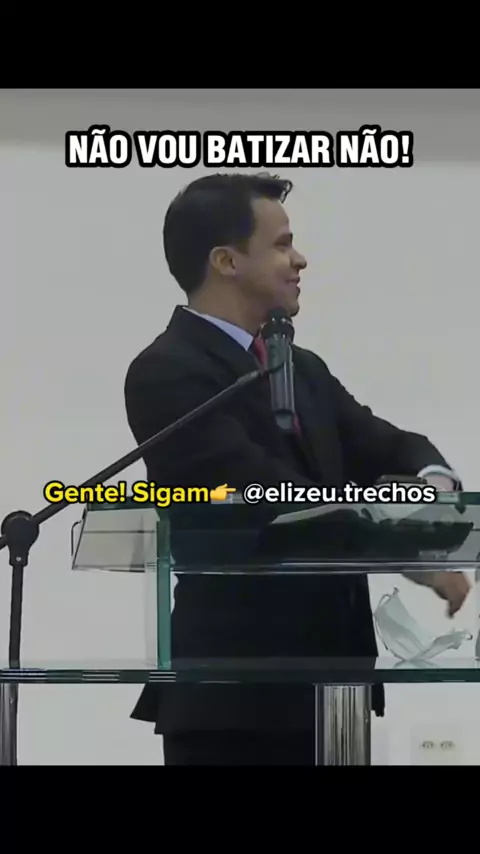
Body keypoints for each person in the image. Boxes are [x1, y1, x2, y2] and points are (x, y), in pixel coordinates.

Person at [124, 172, 470, 765]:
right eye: (282, 244)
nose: (300, 260)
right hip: (237, 699)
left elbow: (387, 444)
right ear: (226, 261)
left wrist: (433, 483)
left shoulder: (299, 366)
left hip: (334, 690)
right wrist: (409, 551)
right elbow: (270, 497)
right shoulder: (168, 370)